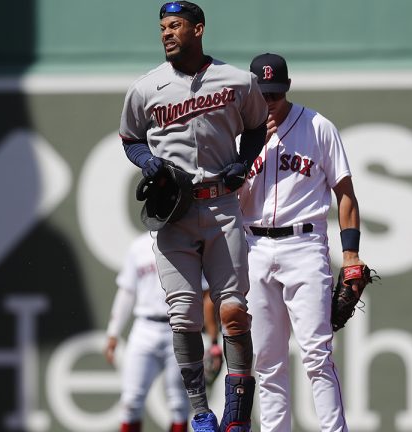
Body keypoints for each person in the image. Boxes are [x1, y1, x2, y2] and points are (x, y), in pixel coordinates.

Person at [118, 2, 268, 432]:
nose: (167, 33)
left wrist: (245, 158)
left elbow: (256, 125)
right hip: (174, 212)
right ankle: (201, 412)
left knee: (234, 311)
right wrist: (146, 160)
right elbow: (130, 138)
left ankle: (236, 415)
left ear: (198, 29)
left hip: (222, 204)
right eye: (163, 26)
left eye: (176, 25)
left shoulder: (237, 80)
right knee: (183, 315)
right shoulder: (146, 88)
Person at [238, 53, 370, 432]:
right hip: (255, 248)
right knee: (267, 363)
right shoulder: (237, 134)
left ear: (287, 89)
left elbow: (345, 193)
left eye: (274, 95)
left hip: (304, 245)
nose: (268, 103)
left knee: (316, 355)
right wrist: (248, 153)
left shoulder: (318, 127)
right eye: (261, 95)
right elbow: (231, 202)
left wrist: (351, 256)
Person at [104, 231, 220, 432]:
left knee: (178, 403)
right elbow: (127, 291)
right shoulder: (138, 246)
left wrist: (212, 339)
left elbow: (206, 296)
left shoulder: (190, 242)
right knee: (131, 400)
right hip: (144, 327)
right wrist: (113, 331)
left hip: (179, 328)